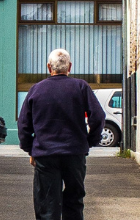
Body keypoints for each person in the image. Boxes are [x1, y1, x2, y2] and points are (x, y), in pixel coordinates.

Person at [17, 49, 105, 220]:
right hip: (74, 153)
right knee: (74, 201)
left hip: (46, 154)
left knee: (47, 205)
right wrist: (90, 140)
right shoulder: (81, 87)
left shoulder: (36, 90)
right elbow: (98, 116)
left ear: (49, 67)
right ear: (69, 67)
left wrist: (31, 150)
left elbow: (23, 124)